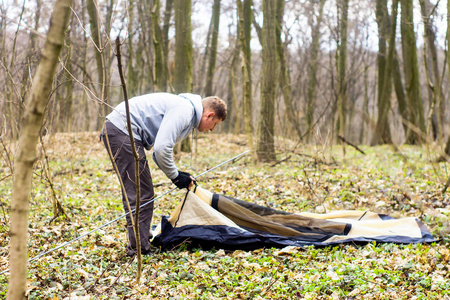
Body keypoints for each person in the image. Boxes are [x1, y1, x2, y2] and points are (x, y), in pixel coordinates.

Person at [100, 92, 227, 256]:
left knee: (140, 191)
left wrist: (179, 175)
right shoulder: (184, 110)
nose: (212, 129)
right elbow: (161, 150)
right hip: (121, 131)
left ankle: (141, 240)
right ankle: (138, 249)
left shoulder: (186, 111)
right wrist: (176, 176)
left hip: (122, 132)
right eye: (214, 123)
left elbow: (158, 153)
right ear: (209, 115)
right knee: (140, 192)